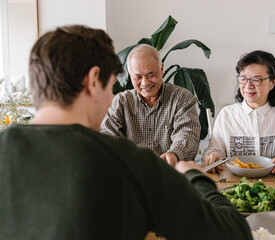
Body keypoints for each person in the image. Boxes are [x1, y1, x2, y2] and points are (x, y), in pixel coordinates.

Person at [0, 25, 253, 240]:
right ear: (93, 80)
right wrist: (199, 181)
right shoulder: (130, 162)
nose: (111, 97)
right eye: (111, 86)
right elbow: (233, 234)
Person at [100, 44, 201, 167]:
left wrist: (174, 154)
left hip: (172, 175)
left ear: (162, 69)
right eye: (138, 76)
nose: (145, 82)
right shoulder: (120, 102)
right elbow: (108, 138)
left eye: (151, 75)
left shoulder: (182, 99)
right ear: (129, 74)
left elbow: (187, 134)